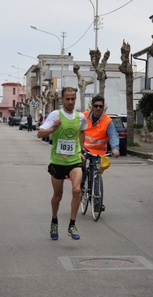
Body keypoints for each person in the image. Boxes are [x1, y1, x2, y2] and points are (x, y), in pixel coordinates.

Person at [37, 87, 87, 240]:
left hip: (74, 161)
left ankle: (72, 225)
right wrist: (53, 128)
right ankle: (54, 220)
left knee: (77, 190)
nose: (71, 102)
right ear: (62, 99)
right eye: (68, 99)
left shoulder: (80, 117)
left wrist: (81, 151)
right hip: (58, 161)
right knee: (57, 197)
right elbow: (39, 134)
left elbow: (82, 132)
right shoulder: (55, 115)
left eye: (73, 99)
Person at [82, 95, 120, 204]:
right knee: (81, 167)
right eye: (96, 106)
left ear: (103, 107)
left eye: (101, 106)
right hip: (84, 150)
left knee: (96, 176)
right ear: (92, 106)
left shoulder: (107, 121)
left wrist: (115, 149)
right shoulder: (84, 116)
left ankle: (97, 203)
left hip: (98, 153)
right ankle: (81, 185)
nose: (98, 108)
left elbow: (113, 135)